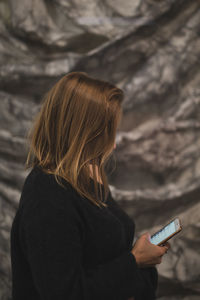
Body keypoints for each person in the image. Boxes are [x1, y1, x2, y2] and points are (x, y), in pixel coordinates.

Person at [10, 71, 170, 300]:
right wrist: (134, 260)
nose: (113, 145)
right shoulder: (47, 196)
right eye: (107, 134)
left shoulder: (85, 178)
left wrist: (141, 259)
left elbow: (102, 258)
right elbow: (64, 293)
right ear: (83, 134)